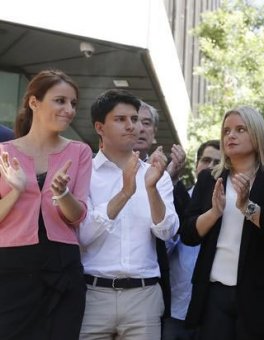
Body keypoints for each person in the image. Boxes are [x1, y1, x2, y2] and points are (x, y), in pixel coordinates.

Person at [181, 106, 264, 340]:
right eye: (226, 131)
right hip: (213, 293)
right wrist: (214, 212)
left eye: (240, 129)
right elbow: (188, 234)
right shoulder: (209, 178)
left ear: (256, 134)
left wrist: (247, 207)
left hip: (261, 297)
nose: (230, 136)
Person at [78, 89, 179, 339]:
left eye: (134, 119)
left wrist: (151, 188)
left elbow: (166, 231)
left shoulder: (157, 175)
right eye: (120, 119)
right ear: (100, 127)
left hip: (143, 295)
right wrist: (125, 192)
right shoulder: (85, 172)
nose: (132, 126)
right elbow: (84, 234)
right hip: (93, 293)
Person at [0, 70, 91, 339]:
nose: (69, 110)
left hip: (63, 266)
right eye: (60, 101)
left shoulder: (80, 151)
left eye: (73, 103)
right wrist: (16, 190)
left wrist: (62, 194)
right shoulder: (3, 152)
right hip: (10, 267)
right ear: (34, 102)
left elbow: (78, 216)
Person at [162, 139, 220, 340]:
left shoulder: (233, 207)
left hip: (211, 314)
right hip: (175, 309)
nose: (210, 167)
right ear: (196, 165)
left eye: (217, 163)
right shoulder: (174, 199)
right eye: (206, 160)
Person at [134, 101, 186, 321]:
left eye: (147, 123)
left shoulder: (163, 175)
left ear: (155, 133)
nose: (139, 128)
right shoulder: (95, 168)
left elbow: (169, 232)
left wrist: (168, 178)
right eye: (133, 121)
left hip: (149, 286)